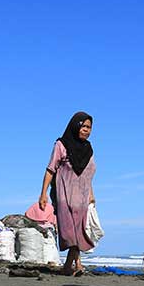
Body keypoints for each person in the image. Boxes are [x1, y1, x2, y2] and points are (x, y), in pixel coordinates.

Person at [39, 111, 96, 276]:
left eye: (89, 127)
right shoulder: (61, 145)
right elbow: (50, 169)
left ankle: (73, 264)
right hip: (64, 195)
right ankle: (70, 265)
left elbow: (88, 174)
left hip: (82, 197)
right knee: (70, 232)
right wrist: (43, 194)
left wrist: (91, 194)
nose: (87, 130)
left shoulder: (88, 149)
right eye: (83, 126)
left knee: (79, 231)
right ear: (75, 126)